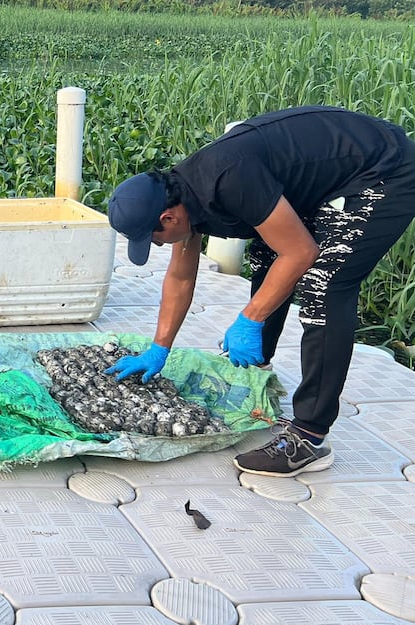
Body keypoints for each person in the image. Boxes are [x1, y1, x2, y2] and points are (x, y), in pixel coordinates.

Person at [106, 105, 415, 477]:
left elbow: (302, 251)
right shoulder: (180, 195)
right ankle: (256, 367)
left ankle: (308, 436)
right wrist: (159, 348)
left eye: (153, 238)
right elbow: (180, 277)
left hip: (385, 169)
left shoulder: (227, 180)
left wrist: (249, 318)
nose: (155, 246)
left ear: (168, 218)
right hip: (336, 167)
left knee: (325, 285)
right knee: (270, 253)